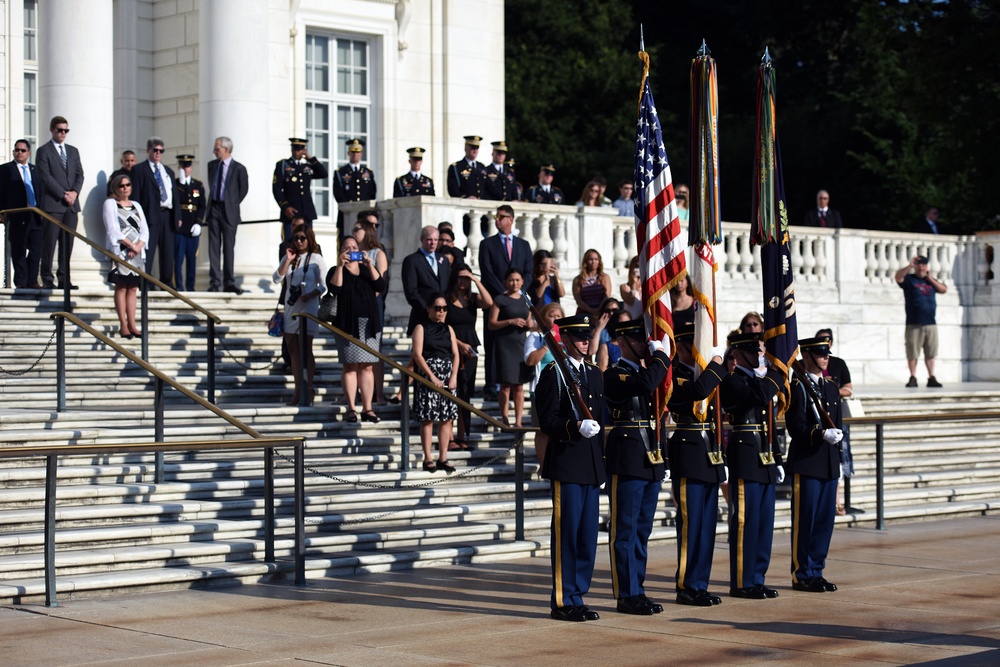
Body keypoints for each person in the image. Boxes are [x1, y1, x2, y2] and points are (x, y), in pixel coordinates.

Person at [535, 314, 606, 622]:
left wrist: (601, 465)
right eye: (578, 337)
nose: (585, 342)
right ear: (564, 338)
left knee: (587, 536)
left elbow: (602, 419)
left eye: (587, 336)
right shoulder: (554, 372)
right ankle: (564, 600)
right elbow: (547, 420)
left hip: (590, 465)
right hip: (567, 463)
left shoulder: (593, 372)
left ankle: (578, 594)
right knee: (567, 535)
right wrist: (574, 426)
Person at [604, 318, 672, 615]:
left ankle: (638, 589)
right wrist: (662, 356)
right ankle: (626, 594)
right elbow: (645, 384)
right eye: (639, 339)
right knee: (626, 531)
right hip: (628, 458)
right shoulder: (615, 374)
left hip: (651, 458)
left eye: (646, 339)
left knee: (642, 530)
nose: (646, 344)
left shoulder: (650, 372)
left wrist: (664, 457)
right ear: (622, 342)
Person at [721, 330, 788, 600]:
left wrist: (778, 457)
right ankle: (741, 580)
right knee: (746, 521)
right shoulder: (732, 380)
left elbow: (770, 422)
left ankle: (757, 577)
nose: (758, 356)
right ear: (736, 354)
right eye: (752, 352)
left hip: (765, 454)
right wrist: (777, 371)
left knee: (764, 522)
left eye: (759, 351)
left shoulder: (760, 380)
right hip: (746, 454)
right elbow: (760, 396)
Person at [667, 319, 728, 606]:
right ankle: (686, 585)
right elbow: (697, 392)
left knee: (707, 525)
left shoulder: (706, 373)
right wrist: (716, 363)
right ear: (681, 345)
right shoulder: (674, 375)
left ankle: (700, 583)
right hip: (688, 452)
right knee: (691, 524)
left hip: (709, 453)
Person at [787, 336, 844, 593]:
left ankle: (817, 570)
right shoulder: (797, 387)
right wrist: (819, 434)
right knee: (806, 521)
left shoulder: (831, 387)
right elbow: (795, 427)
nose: (826, 358)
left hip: (828, 463)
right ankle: (802, 573)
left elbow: (838, 425)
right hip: (808, 462)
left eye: (827, 354)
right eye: (821, 354)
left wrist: (839, 459)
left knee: (824, 522)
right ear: (807, 356)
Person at [478, 204, 533, 400]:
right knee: (492, 343)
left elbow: (528, 271)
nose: (497, 220)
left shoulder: (523, 245)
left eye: (501, 217)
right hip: (496, 300)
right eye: (496, 217)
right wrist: (504, 293)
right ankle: (492, 385)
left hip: (518, 302)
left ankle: (516, 382)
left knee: (517, 343)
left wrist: (517, 291)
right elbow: (487, 271)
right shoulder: (487, 244)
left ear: (510, 219)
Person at [328, 234, 385, 422]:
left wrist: (370, 264)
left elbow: (380, 285)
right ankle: (351, 407)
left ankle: (367, 408)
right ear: (341, 251)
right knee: (350, 366)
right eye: (347, 248)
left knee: (368, 366)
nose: (351, 251)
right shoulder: (336, 270)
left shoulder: (366, 269)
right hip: (347, 325)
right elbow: (335, 289)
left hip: (370, 324)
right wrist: (339, 265)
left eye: (354, 248)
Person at [273, 223, 327, 406]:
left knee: (306, 349)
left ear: (309, 238)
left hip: (308, 308)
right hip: (291, 308)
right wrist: (287, 260)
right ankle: (297, 390)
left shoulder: (316, 259)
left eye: (302, 238)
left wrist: (309, 295)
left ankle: (308, 388)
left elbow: (324, 285)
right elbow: (277, 278)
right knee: (294, 351)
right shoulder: (291, 257)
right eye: (295, 238)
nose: (299, 241)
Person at [445, 263, 493, 449]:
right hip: (451, 346)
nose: (462, 282)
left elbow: (489, 302)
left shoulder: (473, 299)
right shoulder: (447, 299)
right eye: (460, 277)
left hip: (471, 349)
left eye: (466, 278)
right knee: (451, 392)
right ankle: (449, 437)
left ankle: (463, 435)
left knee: (465, 394)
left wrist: (475, 278)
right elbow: (444, 327)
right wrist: (459, 344)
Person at [411, 293, 460, 473]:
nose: (441, 312)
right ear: (429, 309)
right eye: (437, 308)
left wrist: (453, 376)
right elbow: (417, 354)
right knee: (428, 418)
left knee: (447, 418)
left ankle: (443, 457)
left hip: (447, 374)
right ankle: (428, 457)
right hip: (428, 373)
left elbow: (455, 354)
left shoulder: (449, 329)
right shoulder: (420, 328)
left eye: (444, 308)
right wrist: (431, 376)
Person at [35, 115, 84, 289]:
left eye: (66, 130)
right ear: (52, 130)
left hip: (71, 206)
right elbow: (45, 177)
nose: (63, 133)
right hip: (53, 204)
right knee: (49, 242)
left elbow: (79, 174)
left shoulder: (73, 151)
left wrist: (75, 193)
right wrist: (64, 194)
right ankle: (47, 277)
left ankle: (64, 278)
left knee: (67, 243)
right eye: (60, 130)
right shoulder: (43, 151)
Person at [128, 136, 179, 288]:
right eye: (155, 150)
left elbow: (173, 194)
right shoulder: (139, 169)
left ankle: (166, 282)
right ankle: (145, 281)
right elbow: (136, 195)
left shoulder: (168, 171)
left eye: (161, 151)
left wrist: (177, 215)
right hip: (149, 215)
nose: (158, 153)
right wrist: (137, 217)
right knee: (148, 251)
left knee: (167, 251)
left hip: (167, 215)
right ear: (148, 150)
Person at [102, 173, 148, 339]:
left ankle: (133, 324)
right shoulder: (110, 204)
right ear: (115, 188)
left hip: (136, 252)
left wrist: (138, 246)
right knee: (121, 287)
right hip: (121, 250)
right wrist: (130, 245)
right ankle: (123, 325)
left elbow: (144, 229)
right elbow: (112, 229)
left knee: (133, 288)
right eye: (121, 186)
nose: (125, 188)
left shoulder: (136, 204)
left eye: (127, 185)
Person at [815, 327, 854, 515]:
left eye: (828, 340)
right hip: (818, 425)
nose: (825, 357)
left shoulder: (838, 363)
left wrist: (831, 389)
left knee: (838, 460)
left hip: (834, 417)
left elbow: (849, 389)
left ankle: (837, 501)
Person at [488, 268, 533, 427]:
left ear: (522, 282)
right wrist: (510, 321)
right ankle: (504, 418)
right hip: (504, 345)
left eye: (517, 280)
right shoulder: (500, 299)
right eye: (511, 280)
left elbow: (531, 320)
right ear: (506, 282)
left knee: (519, 386)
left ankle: (519, 421)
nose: (514, 283)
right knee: (505, 385)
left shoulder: (526, 299)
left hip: (520, 344)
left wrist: (529, 324)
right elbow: (491, 324)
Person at [895, 255, 947, 387]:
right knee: (912, 352)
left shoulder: (930, 281)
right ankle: (913, 376)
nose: (921, 267)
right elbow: (898, 278)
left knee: (931, 352)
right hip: (914, 323)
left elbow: (943, 289)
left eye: (923, 264)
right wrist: (909, 266)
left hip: (930, 323)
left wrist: (929, 278)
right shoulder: (909, 280)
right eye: (919, 264)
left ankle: (931, 377)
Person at [206, 136, 249, 294]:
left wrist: (231, 202)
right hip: (214, 208)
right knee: (213, 247)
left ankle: (228, 281)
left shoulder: (239, 168)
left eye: (217, 148)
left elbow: (243, 190)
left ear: (226, 149)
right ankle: (215, 282)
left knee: (228, 248)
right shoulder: (212, 166)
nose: (214, 151)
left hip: (229, 210)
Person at [523, 301, 563, 468]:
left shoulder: (566, 339)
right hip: (542, 390)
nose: (555, 318)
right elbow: (530, 360)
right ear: (543, 318)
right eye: (551, 315)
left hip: (564, 389)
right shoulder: (535, 337)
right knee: (542, 430)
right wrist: (548, 343)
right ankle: (544, 465)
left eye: (558, 316)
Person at [0, 139, 44, 288]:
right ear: (13, 152)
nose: (19, 153)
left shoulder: (34, 170)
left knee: (36, 249)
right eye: (17, 150)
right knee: (18, 248)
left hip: (35, 214)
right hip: (17, 214)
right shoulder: (5, 169)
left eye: (23, 150)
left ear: (28, 153)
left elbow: (40, 191)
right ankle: (21, 281)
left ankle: (32, 280)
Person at [273, 136, 329, 241]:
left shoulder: (306, 167)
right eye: (295, 149)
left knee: (307, 241)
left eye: (300, 149)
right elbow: (276, 188)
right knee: (289, 242)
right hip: (291, 212)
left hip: (306, 211)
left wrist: (311, 159)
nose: (297, 152)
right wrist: (285, 207)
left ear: (303, 150)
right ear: (292, 149)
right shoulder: (283, 165)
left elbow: (323, 173)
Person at [401, 225, 451, 335]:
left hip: (442, 319)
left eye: (435, 239)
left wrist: (442, 310)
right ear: (422, 239)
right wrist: (430, 310)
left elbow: (447, 287)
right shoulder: (412, 260)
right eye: (429, 239)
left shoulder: (443, 260)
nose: (433, 243)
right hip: (422, 317)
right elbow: (411, 291)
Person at [174, 154, 205, 292]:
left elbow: (202, 205)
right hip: (180, 228)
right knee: (178, 259)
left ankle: (190, 287)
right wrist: (180, 184)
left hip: (193, 226)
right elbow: (176, 202)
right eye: (183, 166)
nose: (185, 169)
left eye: (187, 166)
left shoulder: (197, 184)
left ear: (191, 167)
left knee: (192, 260)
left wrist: (199, 222)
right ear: (179, 167)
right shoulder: (175, 184)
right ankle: (179, 287)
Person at [333, 138, 377, 204]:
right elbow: (338, 193)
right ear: (348, 153)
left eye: (357, 152)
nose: (355, 154)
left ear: (361, 153)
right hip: (347, 210)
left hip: (364, 209)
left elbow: (372, 191)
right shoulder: (341, 172)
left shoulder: (368, 172)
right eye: (353, 152)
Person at [572, 249, 612, 318]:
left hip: (600, 313)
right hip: (584, 313)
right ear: (586, 261)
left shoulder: (605, 277)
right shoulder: (578, 279)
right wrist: (592, 311)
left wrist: (598, 309)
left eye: (596, 259)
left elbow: (607, 296)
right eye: (590, 259)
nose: (593, 262)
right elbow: (578, 300)